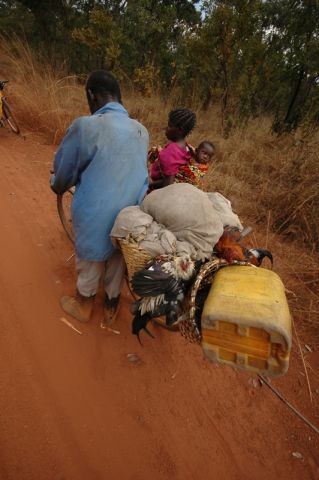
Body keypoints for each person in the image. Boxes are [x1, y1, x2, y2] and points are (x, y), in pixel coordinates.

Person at [51, 70, 149, 326]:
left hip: (97, 214)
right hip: (131, 217)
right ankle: (111, 306)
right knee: (117, 257)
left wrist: (57, 185)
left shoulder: (86, 126)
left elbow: (65, 173)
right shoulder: (142, 131)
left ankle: (83, 304)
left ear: (91, 95)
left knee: (91, 255)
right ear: (119, 97)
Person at [149, 108, 196, 189]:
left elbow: (168, 183)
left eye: (170, 126)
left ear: (180, 130)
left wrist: (149, 183)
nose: (166, 128)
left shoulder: (170, 151)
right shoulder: (187, 147)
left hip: (156, 192)